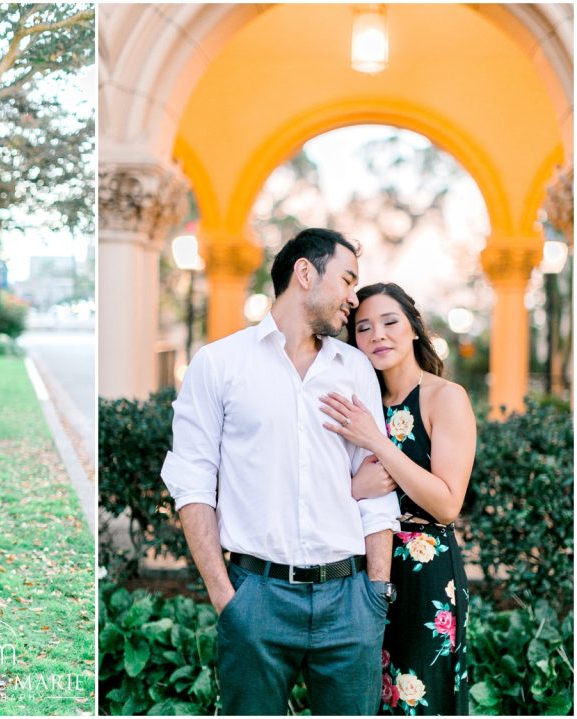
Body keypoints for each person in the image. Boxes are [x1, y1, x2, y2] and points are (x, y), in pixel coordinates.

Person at [161, 227, 401, 716]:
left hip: (350, 602)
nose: (354, 300)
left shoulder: (353, 369)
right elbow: (192, 482)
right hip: (256, 600)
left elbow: (376, 485)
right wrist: (225, 598)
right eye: (348, 280)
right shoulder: (218, 364)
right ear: (305, 273)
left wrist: (376, 592)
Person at [319, 283, 475, 715]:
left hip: (426, 573)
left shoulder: (445, 398)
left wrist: (379, 442)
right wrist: (354, 490)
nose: (377, 336)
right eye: (364, 328)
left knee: (419, 699)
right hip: (360, 568)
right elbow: (328, 486)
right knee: (368, 699)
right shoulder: (358, 401)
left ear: (413, 329)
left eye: (390, 323)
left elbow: (447, 504)